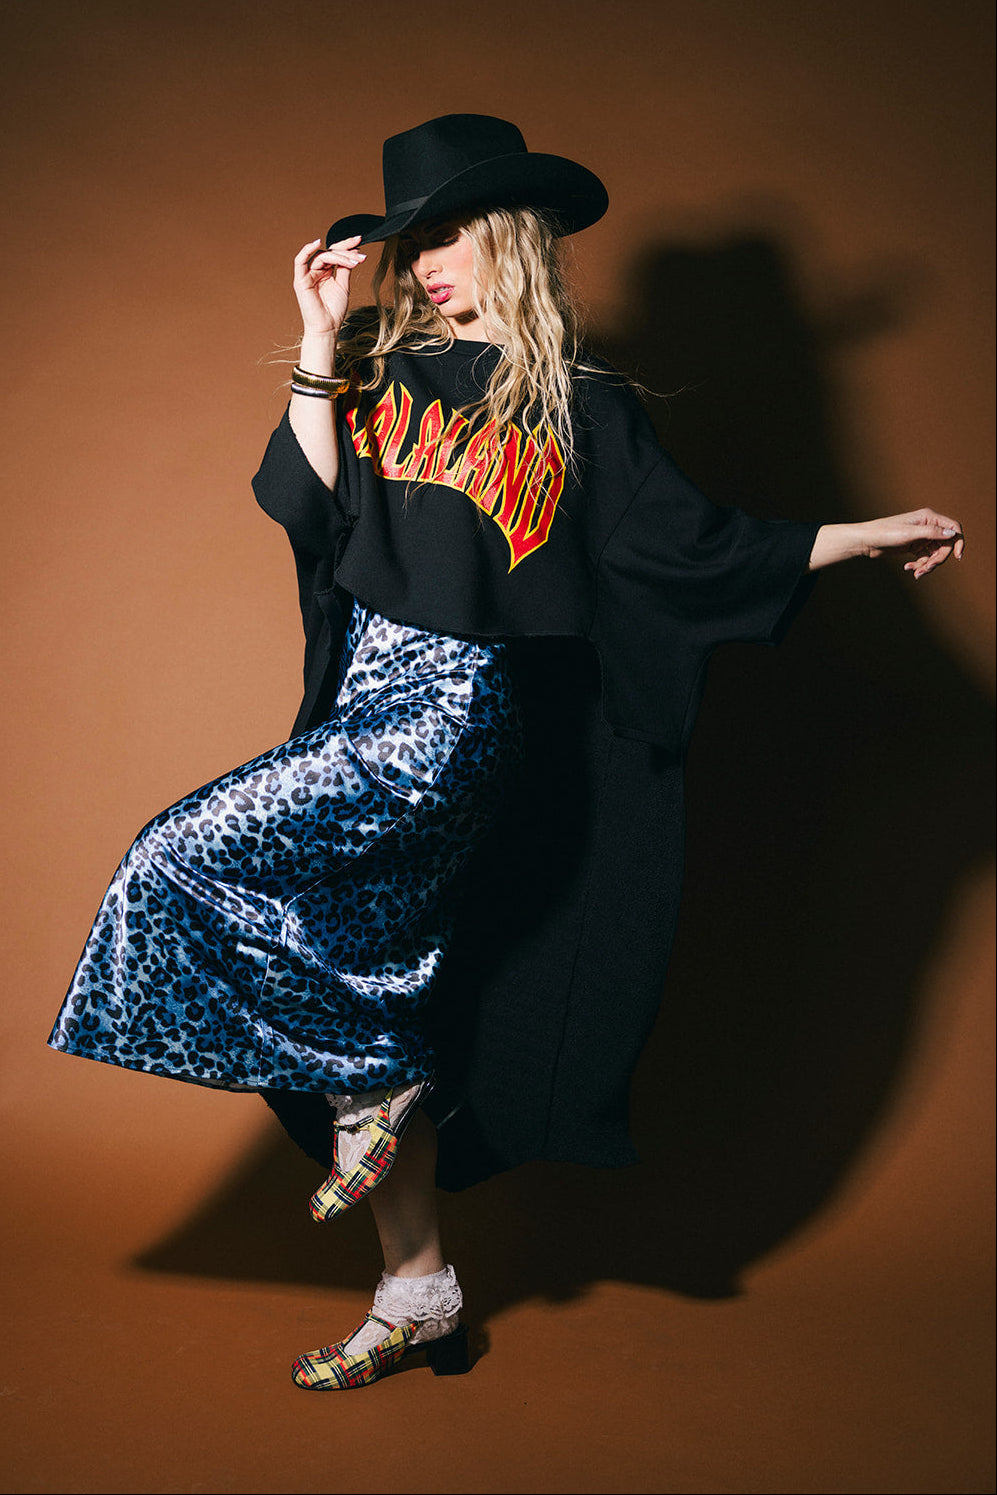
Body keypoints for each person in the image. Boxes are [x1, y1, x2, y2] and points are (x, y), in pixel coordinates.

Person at [48, 114, 964, 1391]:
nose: (426, 262)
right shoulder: (376, 375)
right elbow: (305, 510)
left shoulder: (581, 408)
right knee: (379, 990)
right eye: (410, 239)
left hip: (451, 717)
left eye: (451, 235)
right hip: (356, 704)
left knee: (177, 856)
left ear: (515, 242)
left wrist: (861, 533)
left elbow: (693, 550)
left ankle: (377, 1087)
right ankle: (418, 1288)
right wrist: (317, 338)